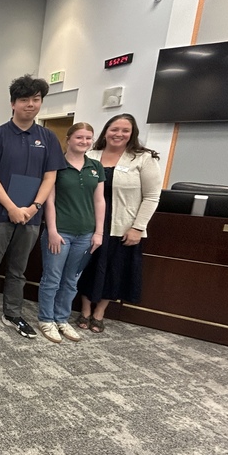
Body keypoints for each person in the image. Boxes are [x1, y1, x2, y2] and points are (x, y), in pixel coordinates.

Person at [0, 75, 66, 340]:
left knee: (18, 270)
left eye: (36, 99)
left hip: (31, 217)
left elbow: (50, 177)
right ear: (13, 103)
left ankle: (12, 313)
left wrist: (34, 207)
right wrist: (12, 207)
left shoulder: (47, 137)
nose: (30, 105)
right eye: (24, 99)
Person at [77, 113, 162, 333]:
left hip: (121, 226)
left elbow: (152, 196)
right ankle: (85, 309)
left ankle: (100, 312)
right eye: (115, 129)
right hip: (88, 222)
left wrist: (138, 227)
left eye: (125, 130)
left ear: (132, 134)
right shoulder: (89, 154)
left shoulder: (143, 158)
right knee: (86, 267)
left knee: (114, 270)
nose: (119, 134)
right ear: (106, 131)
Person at [37, 123, 105, 343]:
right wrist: (53, 230)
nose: (84, 142)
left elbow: (99, 200)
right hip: (60, 233)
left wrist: (99, 233)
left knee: (71, 281)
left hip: (85, 235)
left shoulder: (96, 166)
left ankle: (61, 319)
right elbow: (50, 200)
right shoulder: (56, 165)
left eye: (88, 138)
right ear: (68, 139)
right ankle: (46, 319)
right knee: (52, 279)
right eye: (79, 137)